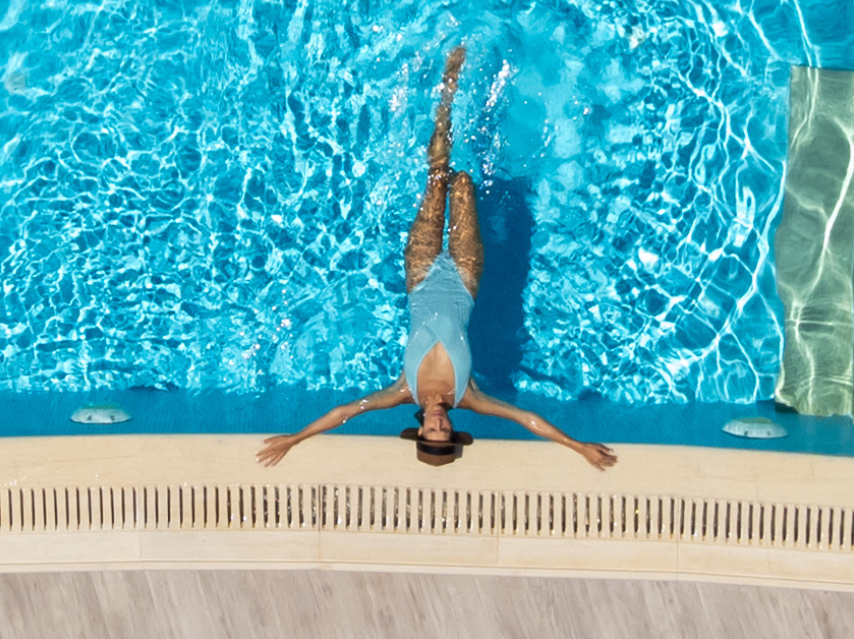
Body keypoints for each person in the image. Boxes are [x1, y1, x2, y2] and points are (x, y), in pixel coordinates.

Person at [256, 47, 618, 471]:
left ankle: (448, 89)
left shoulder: (399, 391)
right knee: (463, 183)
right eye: (445, 432)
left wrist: (296, 439)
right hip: (465, 277)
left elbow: (344, 412)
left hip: (422, 274)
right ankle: (488, 128)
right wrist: (578, 447)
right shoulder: (470, 397)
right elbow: (527, 419)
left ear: (418, 429)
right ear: (452, 430)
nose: (439, 425)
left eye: (431, 432)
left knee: (436, 179)